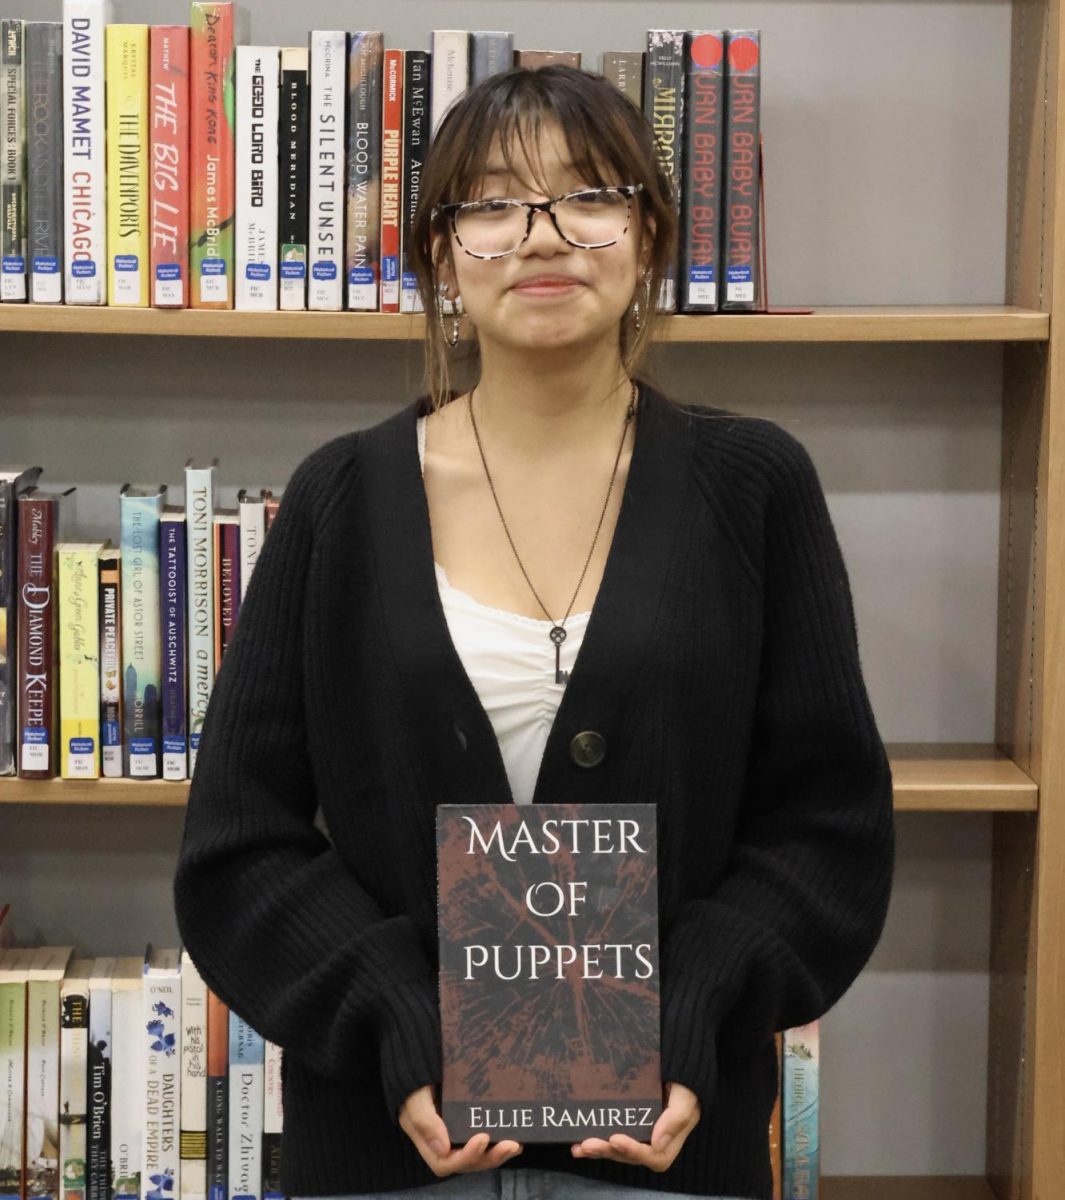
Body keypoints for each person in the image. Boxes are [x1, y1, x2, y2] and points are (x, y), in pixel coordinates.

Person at [173, 65, 895, 1200]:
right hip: (390, 1151)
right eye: (494, 204)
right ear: (442, 257)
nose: (543, 236)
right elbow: (238, 843)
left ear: (649, 235)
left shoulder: (756, 486)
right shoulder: (341, 500)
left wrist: (694, 1012)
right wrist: (394, 1024)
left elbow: (828, 827)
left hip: (670, 1154)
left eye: (589, 196)